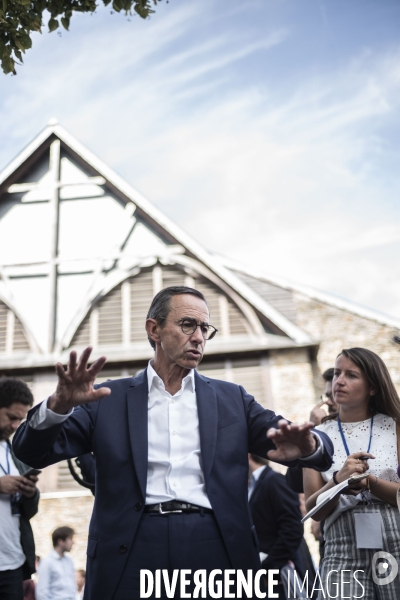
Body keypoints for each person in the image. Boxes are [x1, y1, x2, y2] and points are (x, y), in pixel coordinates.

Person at [13, 286, 333, 600]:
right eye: (187, 324)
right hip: (132, 545)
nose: (198, 337)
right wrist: (57, 406)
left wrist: (310, 446)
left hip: (214, 542)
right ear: (154, 329)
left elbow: (297, 437)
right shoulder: (107, 399)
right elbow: (30, 452)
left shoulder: (232, 399)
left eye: (205, 328)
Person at [303, 347, 400, 599]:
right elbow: (314, 508)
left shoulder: (394, 426)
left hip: (395, 533)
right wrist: (338, 482)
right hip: (340, 541)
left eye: (351, 375)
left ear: (373, 387)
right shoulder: (315, 436)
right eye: (336, 373)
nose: (339, 381)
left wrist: (370, 482)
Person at [0, 377, 39, 600]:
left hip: (12, 564)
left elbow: (29, 512)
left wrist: (30, 493)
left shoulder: (15, 452)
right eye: (11, 417)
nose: (15, 426)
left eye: (20, 420)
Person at [248, 454, 305, 599]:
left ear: (247, 455)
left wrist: (269, 568)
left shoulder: (274, 480)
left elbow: (292, 528)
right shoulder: (252, 486)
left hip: (277, 577)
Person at [36, 526, 77, 600]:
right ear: (60, 541)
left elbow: (73, 589)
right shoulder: (47, 562)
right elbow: (41, 593)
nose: (73, 542)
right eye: (70, 539)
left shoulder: (69, 561)